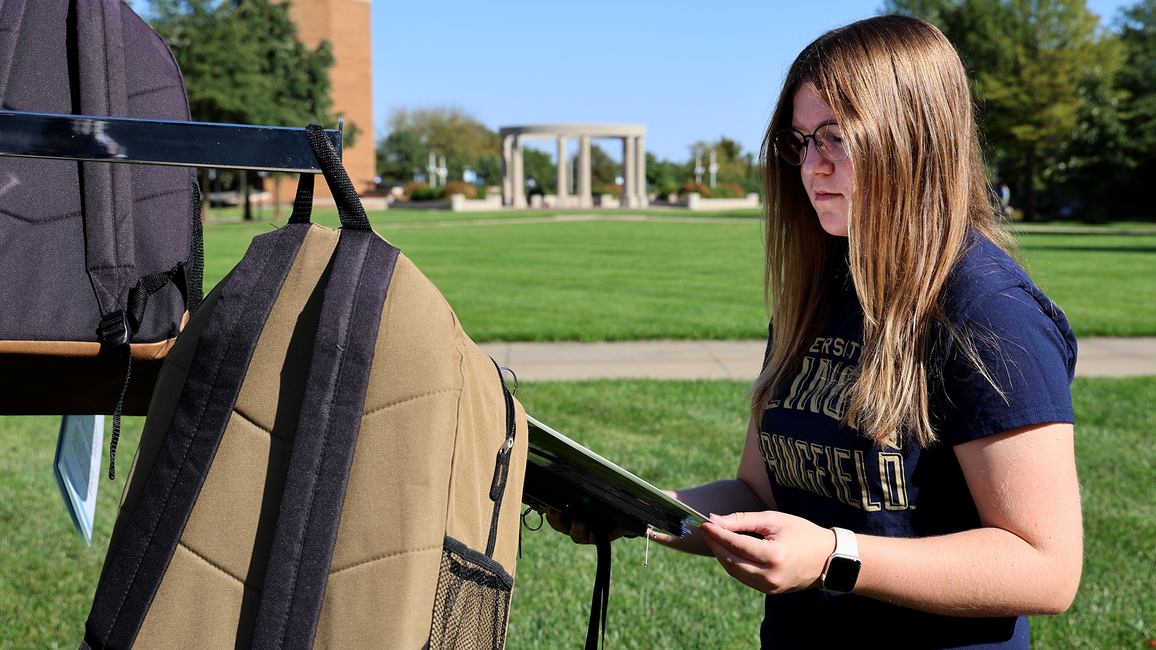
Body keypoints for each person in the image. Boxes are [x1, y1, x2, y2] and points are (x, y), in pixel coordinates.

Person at [546, 15, 1082, 650]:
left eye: (837, 137)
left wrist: (835, 557)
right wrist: (639, 510)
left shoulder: (988, 312)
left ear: (915, 139)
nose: (812, 167)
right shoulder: (819, 294)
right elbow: (756, 490)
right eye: (802, 141)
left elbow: (1045, 566)